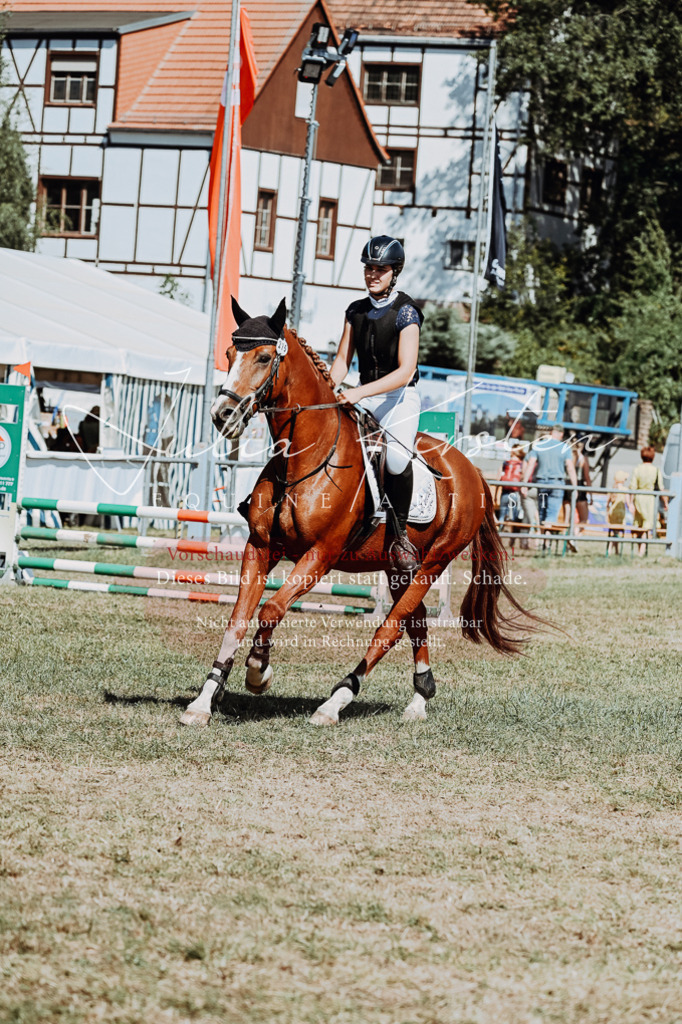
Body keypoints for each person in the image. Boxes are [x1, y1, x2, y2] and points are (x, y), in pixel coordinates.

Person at [330, 235, 424, 572]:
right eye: (368, 268)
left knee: (396, 460)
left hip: (399, 397)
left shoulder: (407, 312)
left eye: (380, 269)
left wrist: (359, 393)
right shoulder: (355, 310)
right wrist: (327, 389)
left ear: (394, 272)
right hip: (362, 394)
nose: (372, 274)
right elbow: (342, 362)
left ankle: (400, 537)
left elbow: (405, 371)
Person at [521, 425, 578, 531]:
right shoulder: (564, 447)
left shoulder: (539, 445)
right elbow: (570, 468)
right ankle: (547, 538)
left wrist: (524, 483)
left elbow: (530, 463)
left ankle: (543, 537)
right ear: (561, 434)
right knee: (551, 515)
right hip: (557, 484)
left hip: (541, 484)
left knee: (542, 513)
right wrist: (575, 487)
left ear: (551, 432)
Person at [630, 445, 668, 557]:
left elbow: (632, 487)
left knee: (639, 524)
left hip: (638, 498)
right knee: (647, 524)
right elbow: (661, 488)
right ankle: (642, 551)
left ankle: (640, 549)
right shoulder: (656, 470)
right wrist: (665, 502)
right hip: (650, 499)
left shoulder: (637, 469)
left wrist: (631, 502)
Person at [561, 440, 592, 534]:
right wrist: (591, 495)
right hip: (579, 486)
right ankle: (575, 535)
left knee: (566, 519)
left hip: (566, 485)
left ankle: (566, 537)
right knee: (584, 518)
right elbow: (587, 477)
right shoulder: (583, 458)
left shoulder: (566, 456)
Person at [606, 469, 634, 556]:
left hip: (612, 512)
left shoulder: (613, 489)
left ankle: (613, 550)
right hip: (621, 513)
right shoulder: (625, 489)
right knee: (618, 533)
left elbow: (607, 502)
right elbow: (628, 503)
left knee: (613, 532)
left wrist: (607, 512)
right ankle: (614, 550)